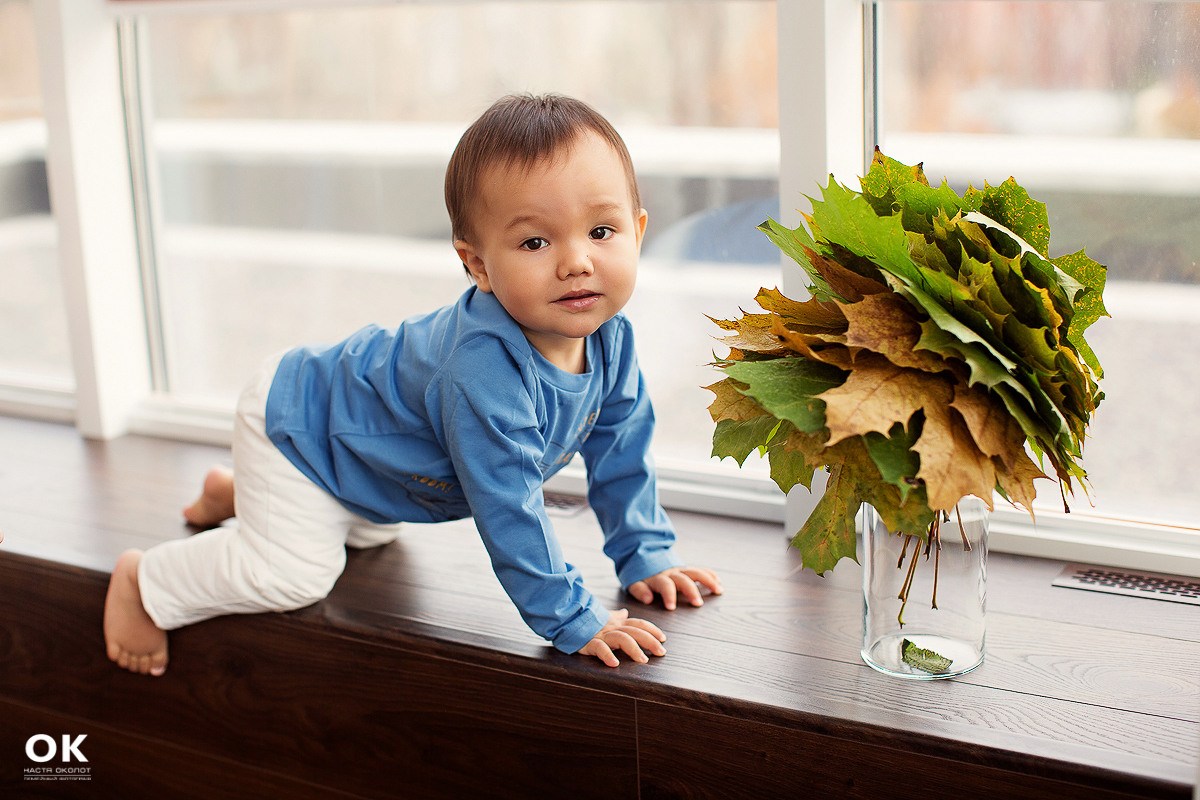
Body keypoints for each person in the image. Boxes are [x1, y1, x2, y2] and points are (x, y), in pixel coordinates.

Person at [103, 93, 723, 677]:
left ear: (638, 231)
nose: (577, 262)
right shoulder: (482, 370)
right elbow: (508, 508)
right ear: (477, 263)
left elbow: (620, 450)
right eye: (535, 241)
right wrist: (571, 617)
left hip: (372, 466)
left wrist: (645, 552)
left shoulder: (611, 339)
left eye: (601, 231)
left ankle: (244, 494)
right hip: (299, 423)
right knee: (294, 575)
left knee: (370, 530)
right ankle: (148, 582)